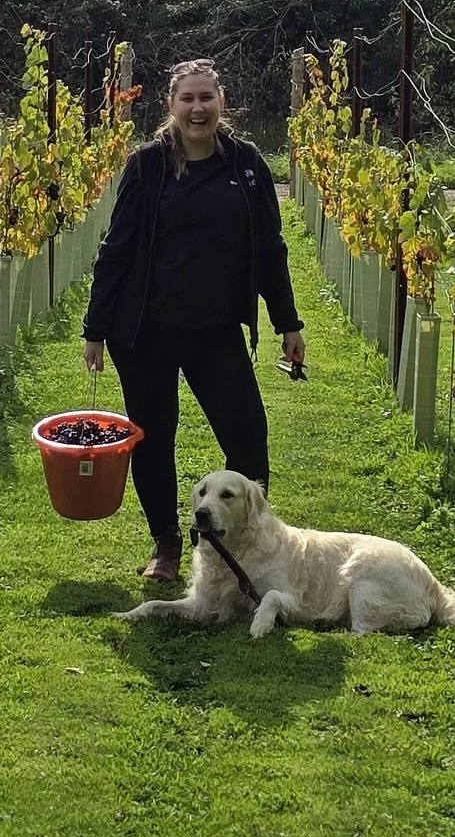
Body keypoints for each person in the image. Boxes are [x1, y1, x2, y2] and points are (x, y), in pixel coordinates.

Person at [82, 58, 306, 581]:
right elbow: (115, 249)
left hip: (216, 330)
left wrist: (287, 322)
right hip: (145, 333)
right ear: (172, 107)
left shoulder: (246, 165)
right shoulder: (147, 166)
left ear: (221, 102)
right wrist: (95, 328)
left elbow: (270, 251)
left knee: (247, 433)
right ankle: (165, 544)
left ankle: (250, 543)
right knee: (154, 438)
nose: (197, 108)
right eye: (188, 99)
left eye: (206, 98)